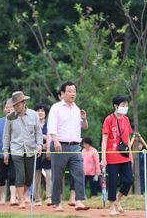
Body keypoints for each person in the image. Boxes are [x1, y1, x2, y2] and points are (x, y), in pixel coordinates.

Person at [47, 81, 90, 212]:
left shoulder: (77, 109)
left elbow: (84, 127)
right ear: (63, 93)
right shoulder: (56, 107)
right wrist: (55, 141)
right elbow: (51, 125)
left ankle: (79, 201)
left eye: (74, 91)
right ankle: (57, 203)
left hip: (76, 146)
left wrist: (84, 118)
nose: (72, 94)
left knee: (79, 172)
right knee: (58, 175)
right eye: (69, 91)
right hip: (60, 145)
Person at [3, 91, 43, 209]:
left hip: (30, 149)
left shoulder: (33, 115)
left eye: (17, 104)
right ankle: (21, 200)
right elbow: (6, 136)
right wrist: (6, 151)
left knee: (29, 178)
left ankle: (21, 195)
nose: (15, 107)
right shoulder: (9, 117)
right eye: (14, 105)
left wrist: (39, 145)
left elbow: (38, 132)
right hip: (16, 150)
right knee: (20, 175)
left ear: (24, 103)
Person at [101, 95, 133, 216]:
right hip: (112, 156)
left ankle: (118, 200)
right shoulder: (109, 119)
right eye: (123, 105)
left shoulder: (126, 119)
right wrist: (103, 158)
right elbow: (104, 140)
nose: (125, 107)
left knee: (129, 180)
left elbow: (128, 139)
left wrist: (130, 154)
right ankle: (111, 207)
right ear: (116, 106)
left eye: (126, 105)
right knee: (113, 182)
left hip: (125, 156)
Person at [0, 99, 17, 205]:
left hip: (15, 152)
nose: (8, 109)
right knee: (2, 175)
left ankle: (12, 198)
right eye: (7, 107)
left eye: (11, 107)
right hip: (0, 152)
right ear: (4, 109)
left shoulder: (18, 120)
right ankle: (2, 197)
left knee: (13, 174)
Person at [33, 103, 52, 206]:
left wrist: (46, 143)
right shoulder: (32, 124)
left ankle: (49, 197)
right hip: (36, 153)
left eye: (42, 111)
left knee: (49, 175)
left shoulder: (49, 124)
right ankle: (37, 199)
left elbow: (51, 137)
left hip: (47, 152)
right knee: (36, 176)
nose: (40, 113)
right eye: (38, 110)